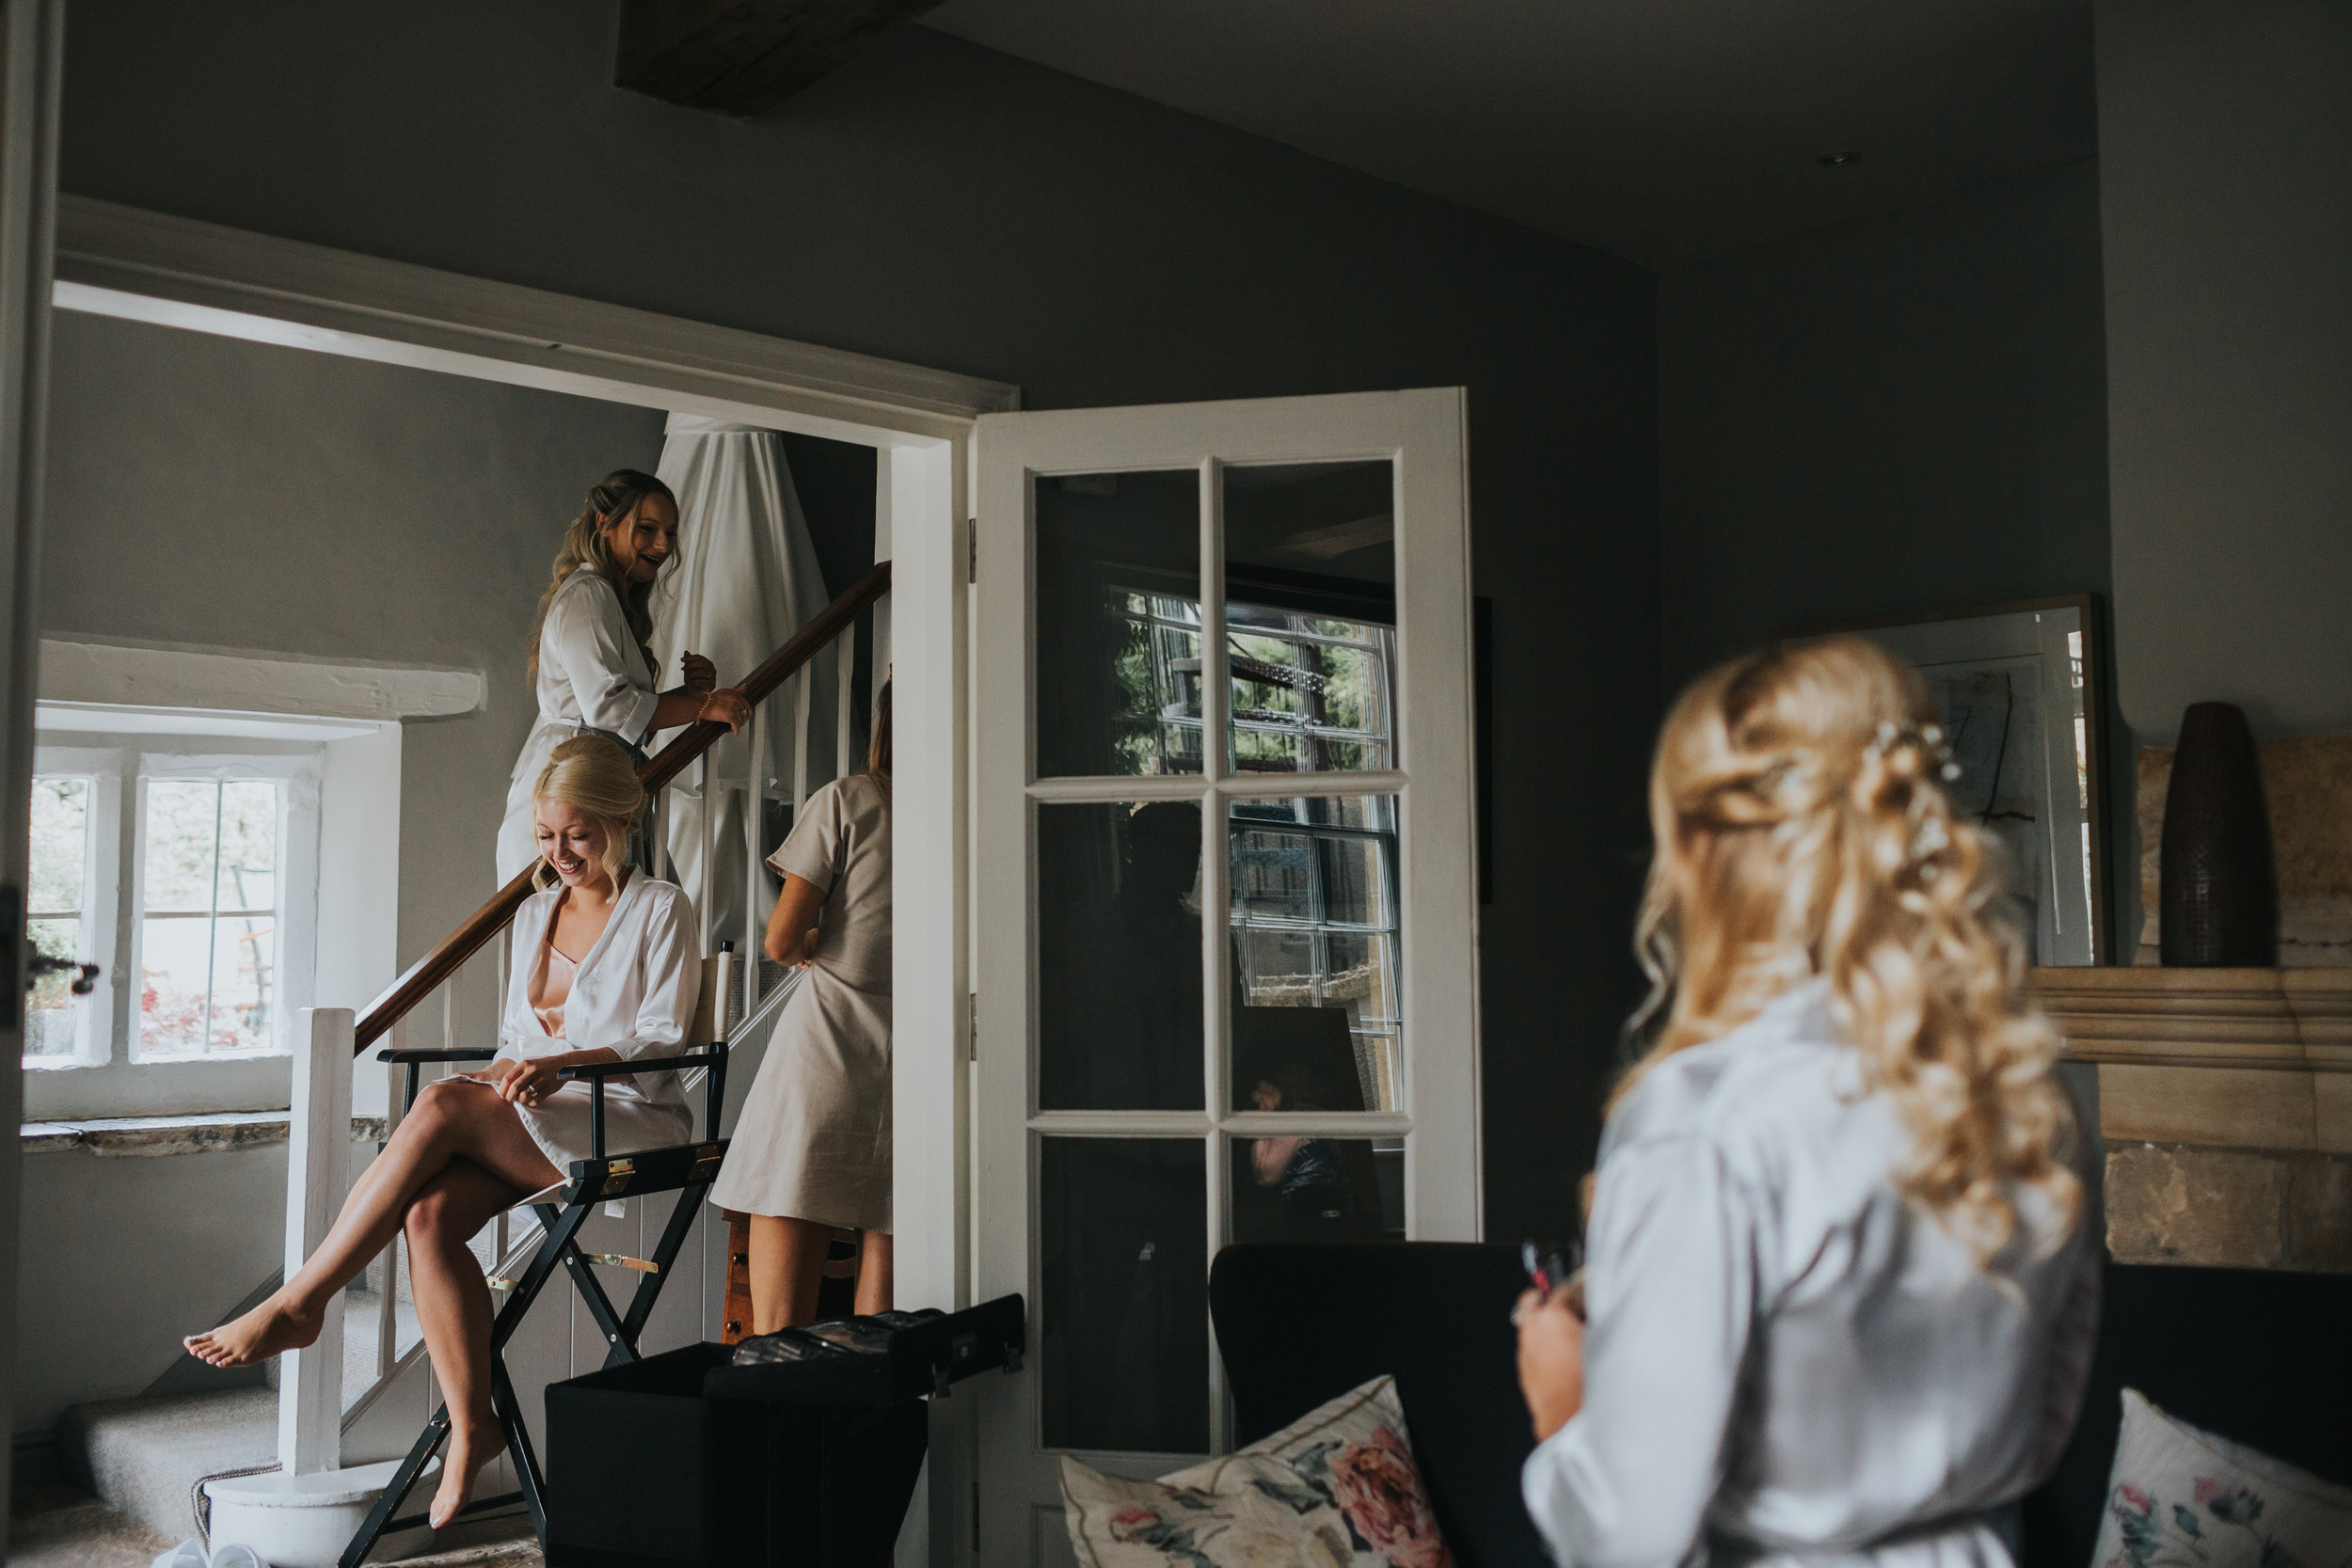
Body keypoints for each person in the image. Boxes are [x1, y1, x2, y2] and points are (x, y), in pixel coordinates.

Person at [1516, 637, 2099, 1568]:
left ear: (1702, 852)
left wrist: (1569, 1413)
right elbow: (2045, 1425)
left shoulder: (1700, 1115)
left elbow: (1633, 1532)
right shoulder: (2021, 1092)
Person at [186, 736, 702, 1529]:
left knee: (438, 1107)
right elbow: (511, 1040)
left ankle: (300, 1299)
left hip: (629, 1117)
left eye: (578, 833)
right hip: (545, 1114)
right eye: (545, 835)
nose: (559, 851)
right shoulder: (534, 914)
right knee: (427, 1217)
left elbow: (665, 1039)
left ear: (622, 815)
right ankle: (472, 1426)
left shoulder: (660, 906)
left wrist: (560, 1064)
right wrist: (511, 1072)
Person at [711, 681, 893, 1330]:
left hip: (827, 1054)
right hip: (912, 1067)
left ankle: (784, 1427)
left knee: (779, 1335)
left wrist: (826, 941)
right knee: (886, 1332)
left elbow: (782, 940)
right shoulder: (962, 813)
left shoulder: (851, 801)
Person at [497, 468, 751, 882]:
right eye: (647, 528)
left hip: (597, 773)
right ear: (605, 523)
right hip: (573, 781)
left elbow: (616, 711)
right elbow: (609, 709)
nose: (663, 544)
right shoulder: (588, 593)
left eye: (670, 532)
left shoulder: (606, 597)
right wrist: (703, 705)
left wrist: (687, 694)